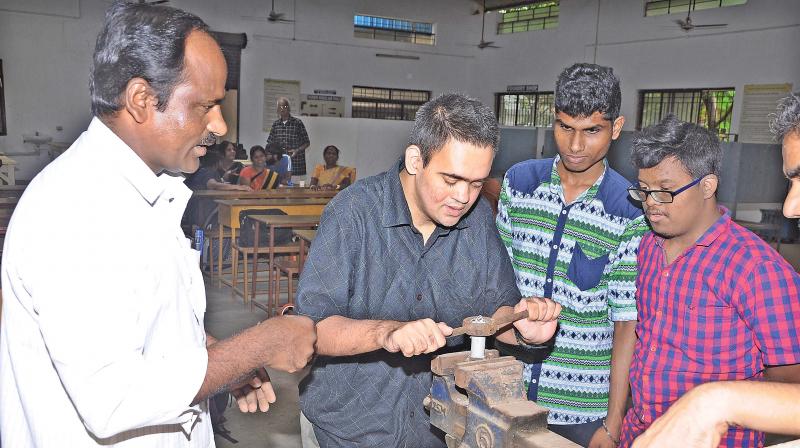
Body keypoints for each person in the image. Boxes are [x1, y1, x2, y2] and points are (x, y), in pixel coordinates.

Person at [0, 3, 316, 447]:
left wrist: (216, 360)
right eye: (206, 106)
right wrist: (258, 346)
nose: (220, 125)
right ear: (141, 100)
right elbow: (112, 397)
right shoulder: (75, 210)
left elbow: (142, 325)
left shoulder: (143, 194)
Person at [295, 92, 563, 448]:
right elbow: (312, 331)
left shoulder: (478, 218)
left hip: (434, 430)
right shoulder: (353, 214)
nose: (463, 197)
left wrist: (523, 329)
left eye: (476, 182)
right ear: (415, 159)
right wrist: (387, 333)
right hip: (349, 429)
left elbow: (497, 311)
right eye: (451, 180)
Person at [629, 93, 800, 448]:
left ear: (707, 185)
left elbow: (790, 383)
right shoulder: (649, 246)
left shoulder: (758, 270)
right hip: (642, 433)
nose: (650, 205)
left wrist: (718, 405)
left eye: (665, 191)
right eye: (643, 191)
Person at [496, 63, 648, 447]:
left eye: (592, 131)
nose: (576, 146)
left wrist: (612, 424)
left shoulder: (629, 210)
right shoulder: (519, 184)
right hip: (505, 391)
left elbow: (626, 323)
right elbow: (494, 283)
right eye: (565, 127)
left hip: (580, 410)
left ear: (616, 128)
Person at [267, 97, 310, 181]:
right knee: (279, 192)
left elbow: (307, 142)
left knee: (296, 192)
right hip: (280, 165)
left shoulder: (297, 123)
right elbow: (270, 145)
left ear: (289, 108)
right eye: (280, 107)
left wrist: (297, 150)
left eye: (285, 106)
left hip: (296, 165)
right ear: (277, 110)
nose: (282, 109)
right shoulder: (275, 125)